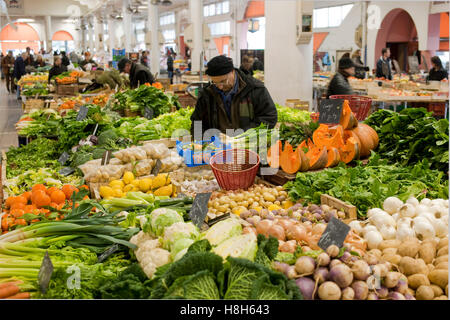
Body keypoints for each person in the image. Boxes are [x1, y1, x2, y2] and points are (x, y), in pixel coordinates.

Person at [190, 55, 277, 136]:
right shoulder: (207, 94)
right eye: (215, 82)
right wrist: (202, 143)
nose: (220, 86)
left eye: (223, 81)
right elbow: (197, 122)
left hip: (248, 146)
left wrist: (244, 136)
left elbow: (269, 117)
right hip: (218, 147)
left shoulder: (254, 89)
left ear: (232, 72)